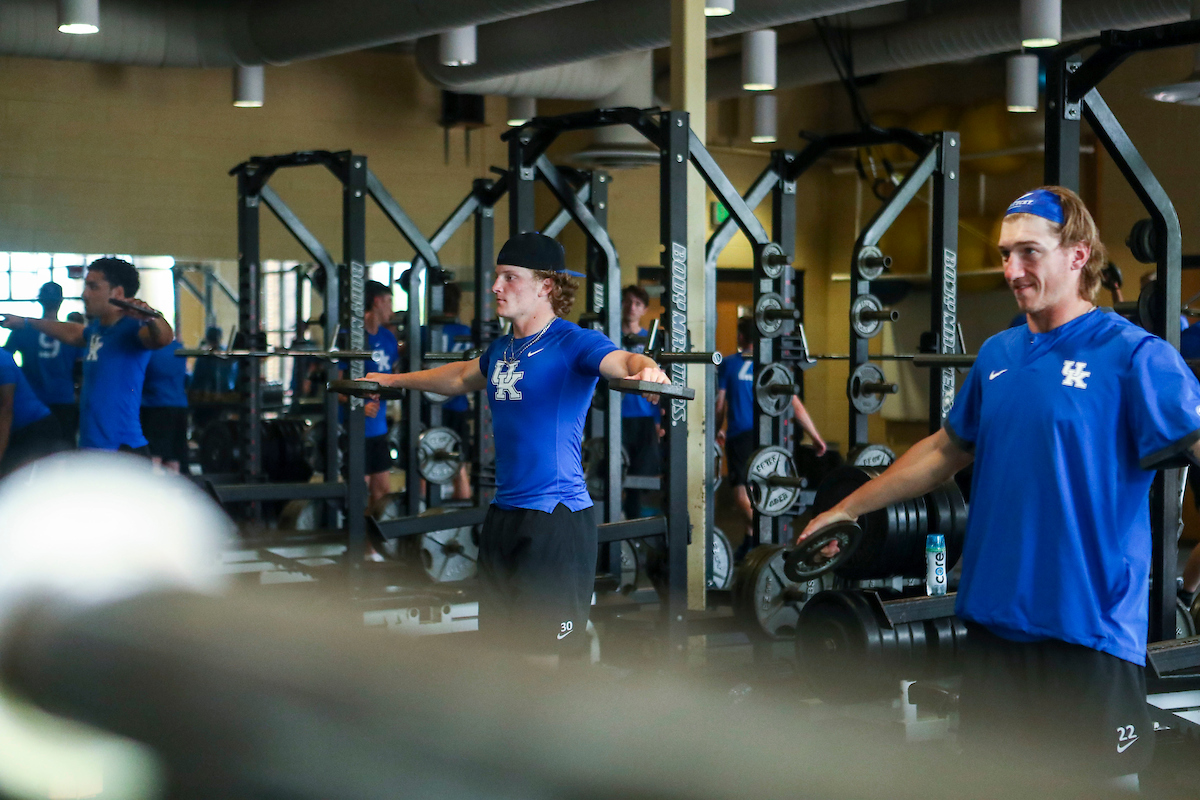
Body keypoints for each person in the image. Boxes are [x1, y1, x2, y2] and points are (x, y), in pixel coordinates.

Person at [798, 187, 1200, 783]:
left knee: (1099, 785)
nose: (1012, 270)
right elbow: (944, 450)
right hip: (992, 620)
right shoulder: (998, 354)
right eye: (1006, 254)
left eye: (1029, 253)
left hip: (1086, 625)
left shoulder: (1135, 356)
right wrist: (848, 509)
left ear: (1078, 256)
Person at [347, 232, 669, 663]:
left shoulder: (573, 341)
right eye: (497, 277)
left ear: (546, 286)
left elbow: (623, 361)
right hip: (504, 517)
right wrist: (389, 381)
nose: (496, 287)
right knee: (502, 653)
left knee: (547, 660)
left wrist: (648, 370)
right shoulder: (503, 349)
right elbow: (460, 377)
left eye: (510, 278)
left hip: (555, 521)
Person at [1, 257, 174, 454]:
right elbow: (72, 331)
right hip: (91, 447)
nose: (84, 294)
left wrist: (151, 317)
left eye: (93, 287)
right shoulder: (96, 331)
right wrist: (24, 322)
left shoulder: (133, 329)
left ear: (117, 292)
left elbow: (164, 339)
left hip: (122, 450)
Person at [716, 316, 825, 561]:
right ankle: (752, 542)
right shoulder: (773, 366)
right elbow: (793, 402)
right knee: (764, 490)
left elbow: (720, 405)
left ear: (741, 337)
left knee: (743, 495)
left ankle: (763, 536)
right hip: (771, 437)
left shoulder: (730, 363)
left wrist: (713, 433)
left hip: (740, 436)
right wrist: (815, 435)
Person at [341, 280, 400, 510]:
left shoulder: (388, 338)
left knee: (383, 492)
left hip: (379, 429)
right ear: (377, 302)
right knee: (359, 491)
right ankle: (356, 541)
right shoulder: (349, 336)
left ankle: (374, 544)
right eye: (388, 302)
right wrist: (356, 405)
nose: (391, 310)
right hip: (354, 428)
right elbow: (333, 383)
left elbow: (394, 376)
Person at [2, 282, 83, 444]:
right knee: (65, 452)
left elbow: (5, 360)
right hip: (64, 400)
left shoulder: (23, 330)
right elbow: (81, 369)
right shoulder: (70, 333)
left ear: (40, 300)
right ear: (61, 301)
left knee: (32, 454)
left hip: (33, 403)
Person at [424, 283, 475, 501]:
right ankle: (461, 526)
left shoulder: (425, 332)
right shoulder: (466, 333)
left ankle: (418, 523)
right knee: (459, 466)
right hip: (457, 406)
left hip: (430, 406)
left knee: (423, 465)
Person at [619, 284, 663, 520]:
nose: (632, 308)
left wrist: (658, 421)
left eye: (637, 304)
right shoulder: (609, 336)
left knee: (639, 479)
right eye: (628, 302)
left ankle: (631, 531)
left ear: (644, 309)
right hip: (615, 417)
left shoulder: (650, 340)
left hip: (644, 419)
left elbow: (659, 382)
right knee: (612, 476)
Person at [0, 347, 64, 477]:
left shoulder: (3, 362)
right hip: (18, 429)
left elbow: (6, 410)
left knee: (13, 481)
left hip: (35, 429)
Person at [141, 336, 190, 473]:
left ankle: (153, 489)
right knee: (174, 457)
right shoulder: (178, 348)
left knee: (155, 456)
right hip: (179, 406)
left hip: (156, 407)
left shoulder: (149, 349)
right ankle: (174, 491)